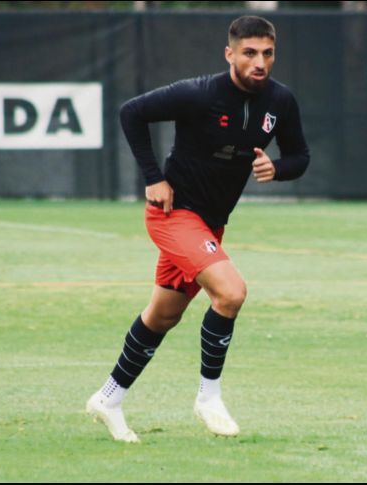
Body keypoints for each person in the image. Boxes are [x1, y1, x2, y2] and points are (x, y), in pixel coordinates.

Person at [86, 15, 310, 443]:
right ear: (230, 54)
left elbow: (300, 156)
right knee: (231, 293)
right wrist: (153, 178)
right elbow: (131, 113)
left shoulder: (280, 101)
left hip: (210, 225)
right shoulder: (200, 93)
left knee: (163, 315)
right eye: (249, 53)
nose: (259, 62)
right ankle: (209, 397)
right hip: (174, 215)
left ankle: (108, 398)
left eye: (267, 53)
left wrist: (277, 168)